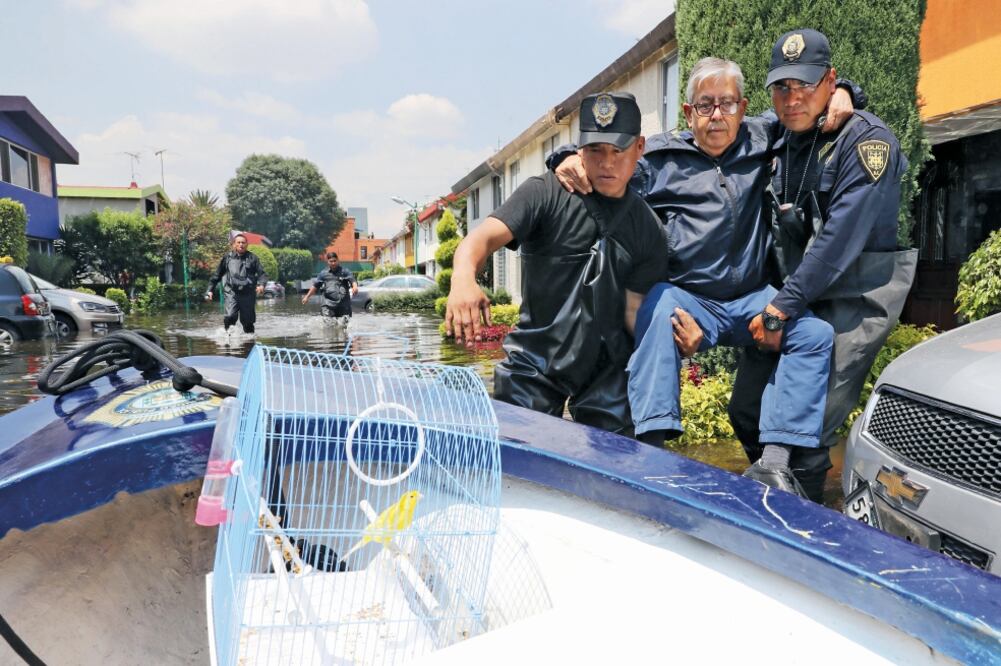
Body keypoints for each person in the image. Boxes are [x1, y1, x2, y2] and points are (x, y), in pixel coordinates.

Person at [551, 58, 862, 496]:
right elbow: (610, 167)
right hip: (690, 297)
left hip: (754, 296)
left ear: (744, 106)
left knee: (813, 333)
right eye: (705, 105)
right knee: (658, 311)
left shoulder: (764, 135)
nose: (717, 115)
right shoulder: (658, 159)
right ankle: (652, 454)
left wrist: (845, 89)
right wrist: (564, 156)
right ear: (687, 110)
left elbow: (805, 103)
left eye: (727, 104)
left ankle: (774, 463)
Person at [727, 29, 918, 502]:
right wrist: (574, 156)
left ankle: (800, 524)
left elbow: (838, 243)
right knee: (747, 409)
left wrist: (778, 309)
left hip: (853, 298)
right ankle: (774, 495)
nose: (792, 99)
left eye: (806, 85)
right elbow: (709, 131)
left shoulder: (867, 143)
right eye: (781, 87)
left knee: (806, 431)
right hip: (796, 295)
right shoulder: (780, 135)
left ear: (830, 80)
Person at [446, 92, 667, 436]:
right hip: (534, 363)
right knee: (520, 467)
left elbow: (633, 312)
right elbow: (480, 239)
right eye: (596, 150)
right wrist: (463, 279)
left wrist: (667, 338)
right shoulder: (544, 193)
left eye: (618, 151)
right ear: (580, 149)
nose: (607, 163)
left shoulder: (648, 228)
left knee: (615, 469)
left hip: (603, 372)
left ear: (639, 147)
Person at [205, 233, 266, 333]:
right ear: (234, 244)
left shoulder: (253, 258)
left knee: (248, 323)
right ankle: (227, 336)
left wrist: (261, 285)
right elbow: (217, 275)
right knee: (230, 316)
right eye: (238, 242)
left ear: (247, 244)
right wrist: (210, 290)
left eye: (243, 242)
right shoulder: (227, 258)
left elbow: (262, 274)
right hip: (231, 292)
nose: (241, 244)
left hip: (248, 294)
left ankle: (249, 343)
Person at [301, 252, 358, 323]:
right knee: (329, 325)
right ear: (327, 262)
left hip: (343, 304)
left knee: (343, 326)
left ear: (338, 260)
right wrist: (307, 297)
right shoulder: (323, 273)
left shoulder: (345, 271)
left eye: (335, 261)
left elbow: (352, 280)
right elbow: (315, 286)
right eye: (331, 261)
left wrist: (355, 287)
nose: (333, 263)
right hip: (328, 304)